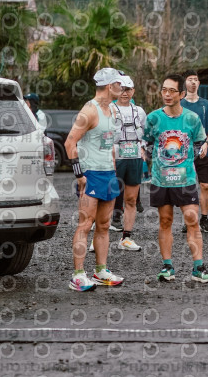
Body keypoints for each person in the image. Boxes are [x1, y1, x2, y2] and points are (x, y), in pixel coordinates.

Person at [143, 74, 208, 283]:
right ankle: (167, 267)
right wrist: (155, 162)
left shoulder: (192, 118)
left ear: (181, 94)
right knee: (165, 221)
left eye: (171, 90)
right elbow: (146, 143)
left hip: (185, 179)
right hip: (160, 180)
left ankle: (198, 268)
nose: (166, 94)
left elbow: (200, 142)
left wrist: (185, 161)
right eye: (164, 90)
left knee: (192, 220)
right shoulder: (153, 118)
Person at [64, 68, 125, 291]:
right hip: (90, 173)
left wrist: (113, 170)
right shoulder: (89, 111)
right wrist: (79, 175)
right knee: (85, 224)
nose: (123, 88)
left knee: (104, 225)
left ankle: (100, 271)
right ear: (110, 86)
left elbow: (109, 146)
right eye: (119, 84)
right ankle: (77, 276)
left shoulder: (112, 110)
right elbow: (69, 143)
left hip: (108, 174)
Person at [111, 74, 146, 251]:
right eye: (122, 89)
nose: (125, 93)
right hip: (115, 157)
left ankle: (126, 237)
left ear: (133, 91)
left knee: (131, 198)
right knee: (107, 197)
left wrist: (143, 150)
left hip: (134, 158)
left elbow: (146, 134)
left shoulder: (139, 111)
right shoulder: (109, 109)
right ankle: (97, 238)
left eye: (128, 90)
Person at [180, 70, 208, 234]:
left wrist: (207, 143)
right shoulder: (179, 104)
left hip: (202, 148)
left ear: (199, 83)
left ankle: (205, 218)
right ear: (185, 83)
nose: (193, 82)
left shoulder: (206, 104)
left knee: (205, 185)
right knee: (187, 186)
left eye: (196, 79)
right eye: (190, 79)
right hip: (184, 150)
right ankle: (188, 219)